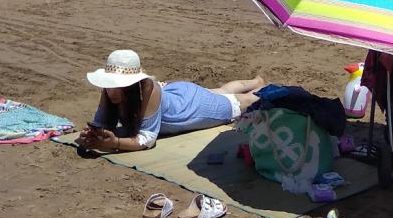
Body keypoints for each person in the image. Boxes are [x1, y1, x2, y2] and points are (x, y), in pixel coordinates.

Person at [77, 49, 265, 153]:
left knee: (243, 102)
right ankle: (255, 81)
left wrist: (115, 142)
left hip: (191, 107)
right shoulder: (109, 90)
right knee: (221, 92)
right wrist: (92, 134)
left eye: (117, 85)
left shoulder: (148, 90)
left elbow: (146, 140)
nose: (111, 90)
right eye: (109, 84)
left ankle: (263, 88)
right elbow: (100, 122)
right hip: (177, 93)